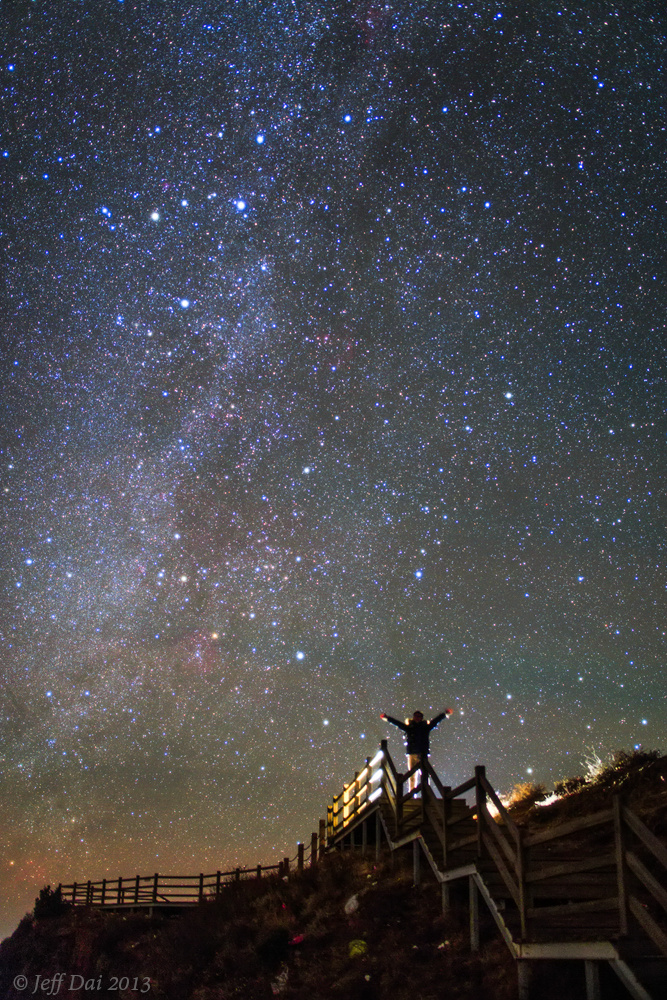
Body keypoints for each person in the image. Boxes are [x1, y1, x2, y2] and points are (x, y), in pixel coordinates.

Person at [380, 708, 453, 792]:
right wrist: (388, 718)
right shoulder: (410, 728)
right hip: (412, 753)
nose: (417, 718)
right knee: (412, 775)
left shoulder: (425, 727)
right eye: (416, 716)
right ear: (414, 717)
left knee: (424, 774)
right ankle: (412, 794)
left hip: (422, 754)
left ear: (422, 718)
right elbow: (398, 724)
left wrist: (444, 715)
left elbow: (435, 721)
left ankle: (426, 794)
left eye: (419, 716)